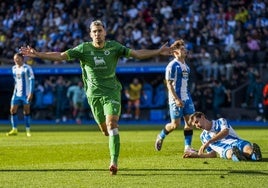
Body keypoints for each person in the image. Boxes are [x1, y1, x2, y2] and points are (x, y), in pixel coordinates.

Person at [19, 20, 170, 175]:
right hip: (93, 95)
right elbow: (61, 56)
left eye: (99, 30)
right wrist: (38, 54)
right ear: (90, 34)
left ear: (105, 32)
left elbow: (137, 54)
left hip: (111, 91)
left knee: (112, 125)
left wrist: (158, 51)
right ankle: (110, 140)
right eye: (94, 31)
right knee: (105, 130)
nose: (97, 34)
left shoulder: (114, 47)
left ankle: (113, 162)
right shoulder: (83, 48)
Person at [155, 39, 196, 153]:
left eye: (185, 48)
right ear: (175, 52)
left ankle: (187, 148)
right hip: (175, 99)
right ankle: (160, 136)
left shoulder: (186, 67)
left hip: (187, 98)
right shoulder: (171, 66)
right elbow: (169, 84)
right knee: (175, 124)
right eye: (182, 49)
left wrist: (187, 96)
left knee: (190, 122)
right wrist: (177, 99)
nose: (185, 50)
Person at [183, 111, 262, 161]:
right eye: (195, 125)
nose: (197, 126)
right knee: (231, 152)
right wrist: (198, 155)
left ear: (202, 117)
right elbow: (213, 154)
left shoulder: (220, 121)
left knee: (248, 149)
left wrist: (209, 141)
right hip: (225, 149)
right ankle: (239, 156)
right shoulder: (203, 136)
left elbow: (225, 132)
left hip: (237, 142)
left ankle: (254, 155)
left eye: (197, 122)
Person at [7, 53, 35, 137]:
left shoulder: (27, 68)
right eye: (14, 58)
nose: (16, 60)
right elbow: (16, 81)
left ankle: (28, 130)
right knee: (12, 110)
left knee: (26, 111)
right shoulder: (14, 68)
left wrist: (31, 93)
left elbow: (32, 81)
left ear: (22, 59)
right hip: (16, 93)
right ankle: (14, 129)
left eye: (17, 58)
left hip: (25, 94)